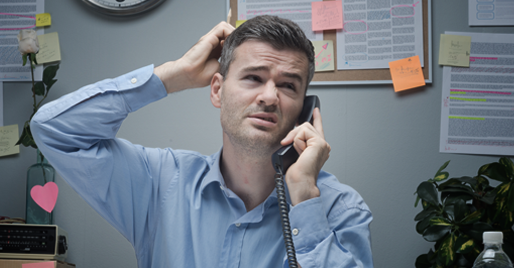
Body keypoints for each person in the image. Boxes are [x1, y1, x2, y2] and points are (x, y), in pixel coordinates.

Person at [31, 15, 373, 268]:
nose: (269, 97)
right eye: (253, 78)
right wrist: (172, 76)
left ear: (305, 109)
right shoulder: (160, 182)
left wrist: (305, 200)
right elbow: (54, 130)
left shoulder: (339, 209)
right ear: (217, 90)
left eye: (288, 86)